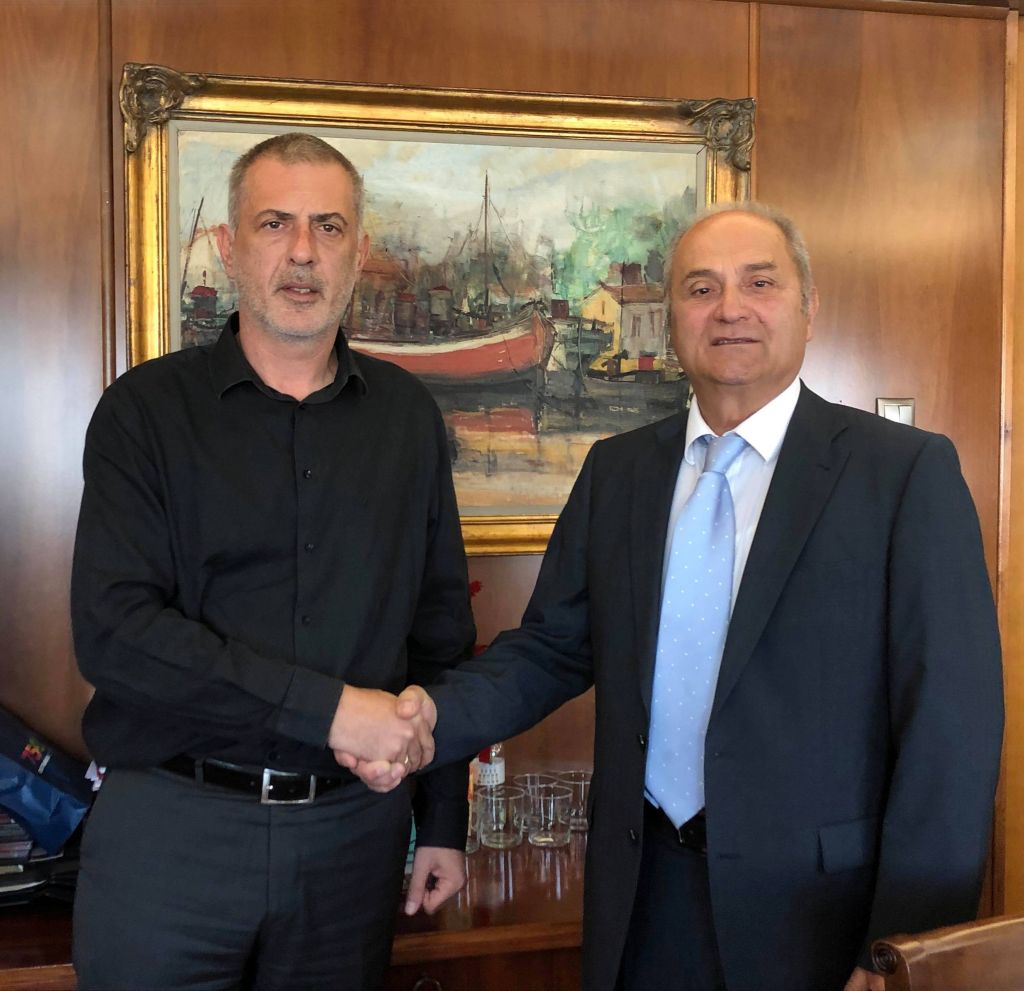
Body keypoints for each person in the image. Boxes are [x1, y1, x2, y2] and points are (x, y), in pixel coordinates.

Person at [355, 203, 1004, 991]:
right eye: (702, 288)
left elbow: (952, 730)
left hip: (822, 919)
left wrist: (905, 945)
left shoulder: (902, 474)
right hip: (643, 900)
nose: (730, 308)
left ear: (808, 306)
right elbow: (550, 648)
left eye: (759, 283)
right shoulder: (618, 471)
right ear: (672, 318)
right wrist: (428, 716)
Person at [70, 132, 475, 990]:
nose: (302, 251)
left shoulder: (408, 418)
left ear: (358, 252)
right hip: (171, 835)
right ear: (229, 246)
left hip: (352, 842)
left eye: (328, 227)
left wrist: (444, 818)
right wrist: (331, 711)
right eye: (274, 223)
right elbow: (116, 632)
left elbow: (440, 632)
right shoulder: (144, 412)